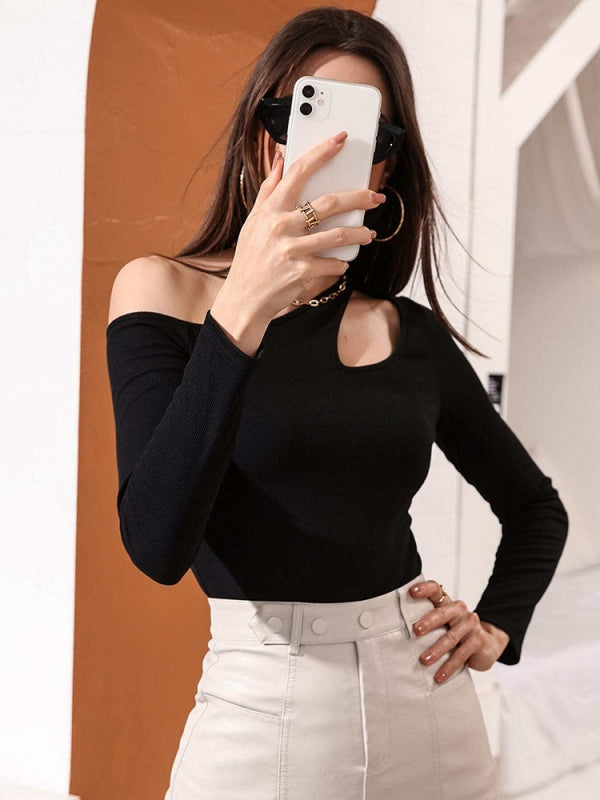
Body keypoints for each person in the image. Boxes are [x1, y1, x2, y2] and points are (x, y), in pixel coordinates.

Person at [105, 7, 568, 799]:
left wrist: (496, 627)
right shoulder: (163, 294)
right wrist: (243, 309)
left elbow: (535, 507)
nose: (329, 150)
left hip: (430, 705)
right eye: (305, 118)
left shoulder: (406, 332)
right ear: (264, 140)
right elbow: (156, 546)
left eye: (367, 137)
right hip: (260, 706)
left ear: (385, 172)